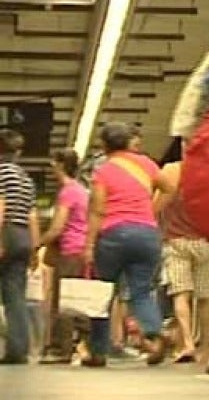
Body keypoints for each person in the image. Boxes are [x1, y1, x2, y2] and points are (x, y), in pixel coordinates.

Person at [81, 122, 174, 367]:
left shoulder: (103, 170)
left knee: (103, 292)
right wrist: (151, 212)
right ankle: (154, 334)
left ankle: (99, 351)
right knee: (141, 291)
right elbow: (169, 187)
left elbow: (98, 210)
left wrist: (89, 244)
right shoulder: (145, 163)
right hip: (146, 234)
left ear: (104, 145)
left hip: (113, 234)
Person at [154, 160, 209, 363]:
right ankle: (205, 347)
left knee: (180, 294)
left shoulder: (170, 172)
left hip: (176, 242)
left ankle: (188, 343)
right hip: (206, 243)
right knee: (206, 297)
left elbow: (156, 208)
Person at [37, 148, 90, 364]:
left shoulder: (67, 191)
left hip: (69, 251)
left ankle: (62, 349)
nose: (50, 167)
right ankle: (81, 345)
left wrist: (37, 243)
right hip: (80, 249)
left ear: (60, 165)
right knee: (77, 299)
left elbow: (58, 227)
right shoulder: (82, 190)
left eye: (53, 162)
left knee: (64, 301)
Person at [0, 128, 39, 364]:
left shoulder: (0, 172)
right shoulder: (26, 178)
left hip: (6, 233)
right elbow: (32, 215)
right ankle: (18, 349)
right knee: (16, 296)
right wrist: (34, 249)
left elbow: (0, 206)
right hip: (23, 236)